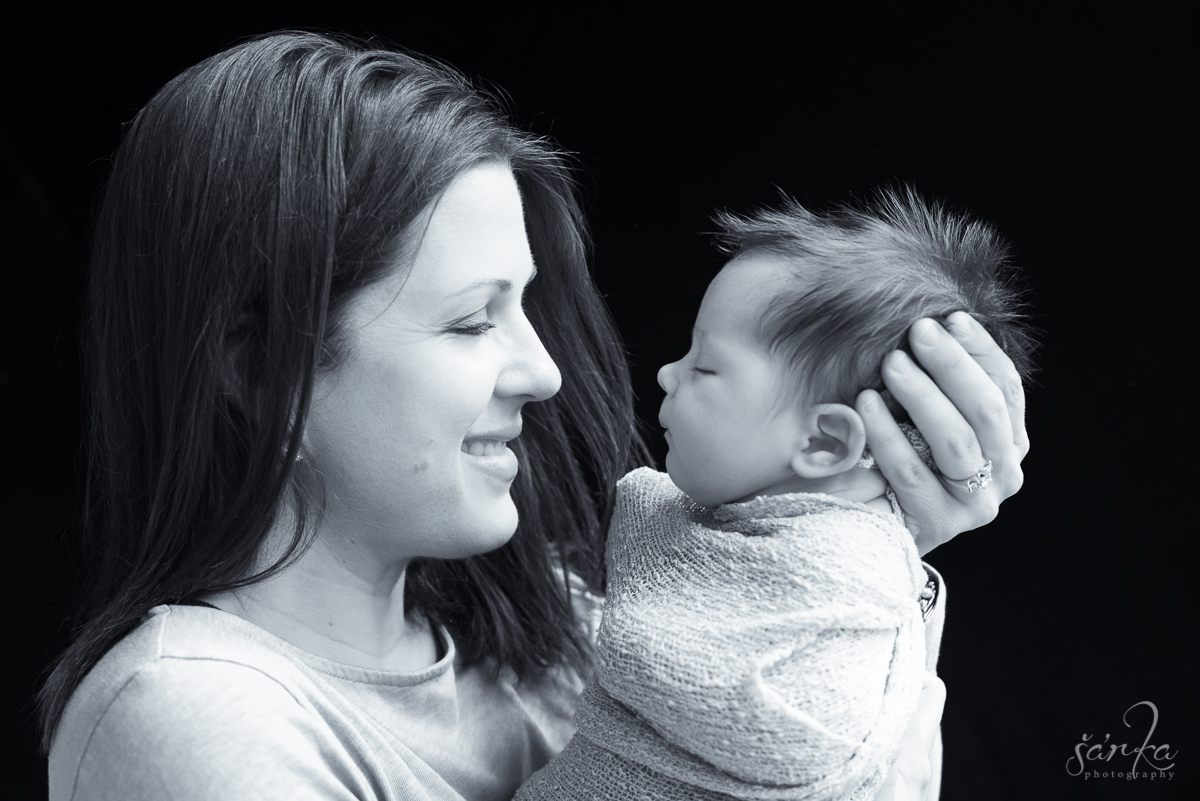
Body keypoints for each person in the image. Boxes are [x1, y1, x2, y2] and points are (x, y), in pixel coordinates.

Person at [38, 32, 1031, 801]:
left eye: (525, 305)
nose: (546, 372)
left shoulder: (580, 635)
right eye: (473, 320)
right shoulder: (191, 713)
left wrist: (869, 549)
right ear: (261, 370)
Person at [515, 189, 1035, 800]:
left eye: (704, 367)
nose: (666, 373)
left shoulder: (850, 580)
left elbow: (782, 729)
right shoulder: (806, 560)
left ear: (822, 441)